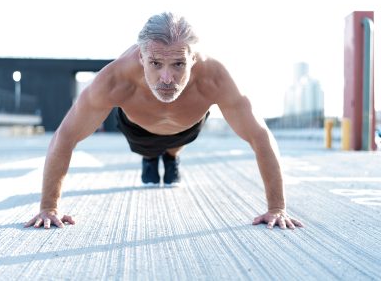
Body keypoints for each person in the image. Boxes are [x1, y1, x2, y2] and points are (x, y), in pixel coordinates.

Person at [25, 12, 303, 230]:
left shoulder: (215, 78)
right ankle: (151, 157)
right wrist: (49, 206)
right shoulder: (114, 80)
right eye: (156, 64)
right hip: (139, 130)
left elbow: (259, 136)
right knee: (149, 150)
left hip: (187, 127)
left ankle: (171, 156)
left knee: (173, 147)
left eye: (178, 64)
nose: (167, 78)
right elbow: (66, 136)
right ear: (141, 56)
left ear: (193, 58)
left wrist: (277, 207)